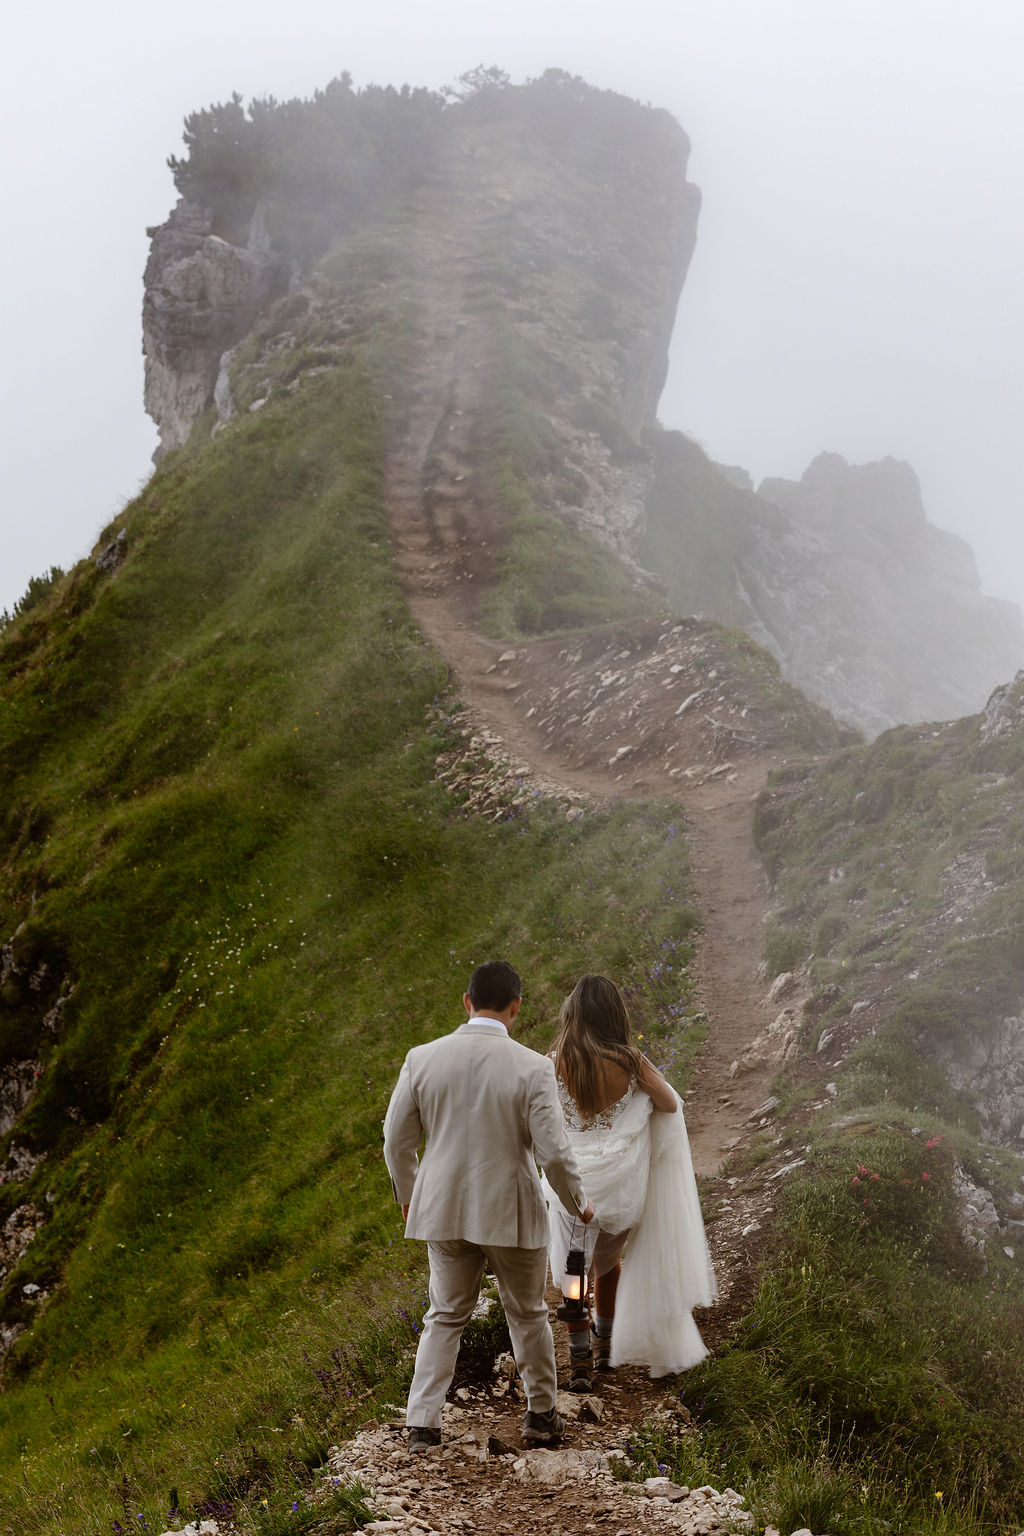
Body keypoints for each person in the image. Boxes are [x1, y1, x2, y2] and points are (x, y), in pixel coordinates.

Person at [383, 960, 595, 1454]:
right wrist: (577, 1202)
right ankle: (541, 1418)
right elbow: (554, 1153)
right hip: (510, 1211)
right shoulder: (532, 1067)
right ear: (516, 1007)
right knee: (527, 1314)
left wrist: (410, 1196)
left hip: (443, 1211)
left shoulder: (422, 1058)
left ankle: (422, 1425)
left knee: (444, 1314)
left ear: (466, 1001)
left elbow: (396, 1140)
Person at [543, 974, 716, 1392]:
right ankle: (606, 1347)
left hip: (573, 1184)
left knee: (573, 1268)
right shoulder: (629, 1060)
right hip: (619, 1182)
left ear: (574, 1013)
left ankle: (579, 1357)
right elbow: (670, 1104)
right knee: (608, 1263)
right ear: (613, 1013)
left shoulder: (554, 1060)